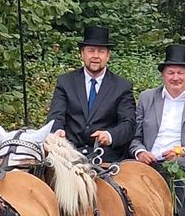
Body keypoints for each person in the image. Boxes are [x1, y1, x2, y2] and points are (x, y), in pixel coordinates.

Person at [129, 44, 185, 185]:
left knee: (174, 170)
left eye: (180, 73)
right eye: (170, 72)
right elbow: (135, 137)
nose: (175, 77)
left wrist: (182, 151)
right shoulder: (146, 98)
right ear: (163, 76)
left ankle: (173, 208)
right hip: (149, 161)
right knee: (122, 173)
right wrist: (140, 152)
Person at [46, 25, 136, 161]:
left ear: (108, 56)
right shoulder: (65, 82)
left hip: (105, 157)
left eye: (101, 52)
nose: (95, 56)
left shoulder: (122, 86)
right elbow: (56, 116)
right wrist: (57, 131)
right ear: (82, 54)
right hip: (69, 154)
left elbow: (128, 124)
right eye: (90, 51)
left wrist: (110, 135)